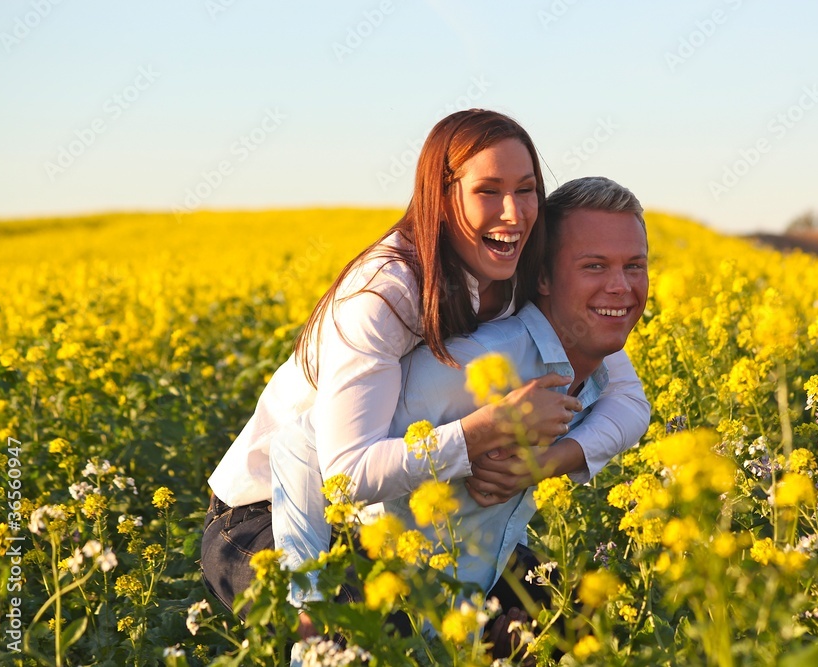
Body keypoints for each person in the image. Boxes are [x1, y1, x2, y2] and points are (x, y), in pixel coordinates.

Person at [200, 110, 649, 619]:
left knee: (569, 620)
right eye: (488, 191)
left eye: (526, 190)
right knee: (381, 632)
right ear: (442, 195)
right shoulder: (385, 295)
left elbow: (626, 395)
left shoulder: (520, 269)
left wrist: (545, 463)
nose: (513, 212)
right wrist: (488, 429)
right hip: (268, 515)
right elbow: (335, 464)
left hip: (398, 524)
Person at [380, 176, 648, 628]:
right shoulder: (470, 366)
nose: (621, 286)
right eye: (595, 266)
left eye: (635, 266)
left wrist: (542, 464)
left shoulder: (591, 366)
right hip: (388, 592)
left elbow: (634, 406)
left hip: (468, 591)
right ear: (541, 276)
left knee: (585, 622)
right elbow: (338, 468)